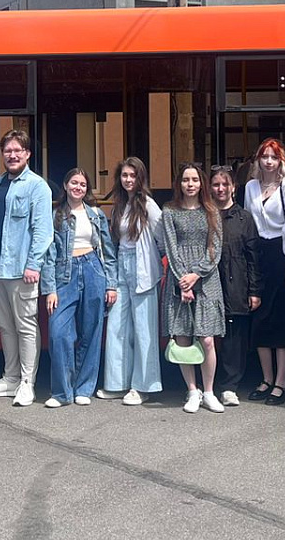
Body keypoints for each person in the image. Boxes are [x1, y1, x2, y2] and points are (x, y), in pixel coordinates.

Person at [0, 130, 53, 407]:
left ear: (28, 154)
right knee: (4, 325)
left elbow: (43, 231)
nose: (12, 155)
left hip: (22, 269)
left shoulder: (37, 187)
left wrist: (34, 264)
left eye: (17, 150)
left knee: (25, 326)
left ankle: (26, 383)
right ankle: (9, 378)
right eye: (7, 151)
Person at [41, 167, 117, 408]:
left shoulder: (95, 214)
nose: (78, 187)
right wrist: (50, 289)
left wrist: (111, 284)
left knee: (91, 331)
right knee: (58, 333)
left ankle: (84, 388)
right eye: (74, 182)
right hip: (65, 275)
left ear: (87, 189)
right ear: (65, 185)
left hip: (93, 269)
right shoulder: (56, 215)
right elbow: (48, 255)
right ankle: (62, 392)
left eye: (83, 184)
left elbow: (108, 251)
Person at [160, 163, 226, 413]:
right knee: (183, 338)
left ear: (202, 183)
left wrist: (196, 275)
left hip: (206, 279)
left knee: (207, 339)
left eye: (195, 180)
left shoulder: (211, 210)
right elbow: (171, 247)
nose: (190, 184)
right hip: (180, 280)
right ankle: (192, 390)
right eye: (186, 180)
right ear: (179, 183)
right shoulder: (169, 211)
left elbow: (215, 248)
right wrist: (183, 281)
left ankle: (209, 391)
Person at [98, 156, 163, 405]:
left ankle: (142, 386)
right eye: (124, 175)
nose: (128, 180)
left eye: (132, 176)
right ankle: (117, 383)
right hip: (121, 267)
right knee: (116, 326)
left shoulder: (148, 205)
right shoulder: (118, 205)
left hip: (143, 267)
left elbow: (162, 238)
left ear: (140, 178)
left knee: (144, 329)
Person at [243, 138, 285, 405]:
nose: (268, 161)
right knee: (260, 318)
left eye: (273, 157)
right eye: (264, 156)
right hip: (257, 254)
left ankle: (281, 383)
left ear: (280, 162)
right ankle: (265, 379)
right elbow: (246, 222)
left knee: (281, 319)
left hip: (281, 254)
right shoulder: (251, 187)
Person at [209, 165, 260, 408]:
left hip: (237, 282)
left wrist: (254, 290)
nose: (220, 189)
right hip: (210, 284)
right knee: (208, 336)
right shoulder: (205, 215)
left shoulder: (244, 218)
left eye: (224, 184)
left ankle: (229, 387)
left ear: (233, 187)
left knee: (234, 338)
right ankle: (206, 385)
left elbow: (253, 256)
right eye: (216, 184)